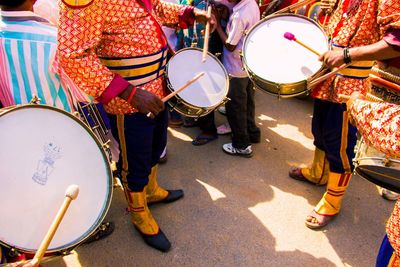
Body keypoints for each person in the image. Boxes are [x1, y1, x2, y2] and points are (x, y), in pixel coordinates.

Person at [58, 0, 213, 252]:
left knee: (156, 146)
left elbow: (154, 8)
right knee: (135, 160)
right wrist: (130, 93)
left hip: (157, 91)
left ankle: (151, 191)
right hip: (129, 103)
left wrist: (190, 13)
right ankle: (139, 212)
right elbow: (72, 55)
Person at [0, 0, 114, 263]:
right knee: (67, 183)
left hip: (13, 134)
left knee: (29, 187)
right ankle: (77, 231)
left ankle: (32, 238)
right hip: (60, 131)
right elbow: (86, 93)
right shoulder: (54, 40)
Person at [288, 0, 400, 229]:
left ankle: (333, 200)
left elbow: (396, 40)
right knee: (319, 129)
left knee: (339, 143)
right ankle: (318, 172)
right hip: (330, 74)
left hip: (353, 80)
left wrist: (348, 54)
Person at [213, 0, 261, 157]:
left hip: (235, 67)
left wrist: (218, 25)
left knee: (235, 106)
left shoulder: (240, 15)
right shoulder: (251, 4)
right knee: (247, 101)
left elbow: (230, 45)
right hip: (246, 64)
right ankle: (252, 132)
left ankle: (241, 145)